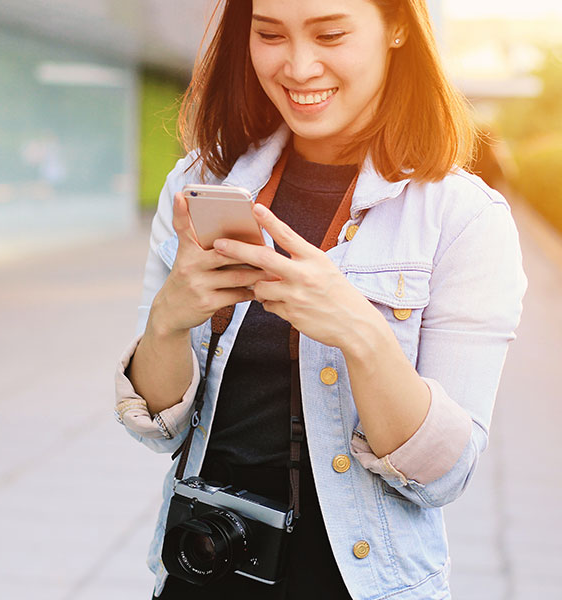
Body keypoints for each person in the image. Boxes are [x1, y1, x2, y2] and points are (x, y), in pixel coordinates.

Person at [114, 0, 527, 598]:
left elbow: (444, 473)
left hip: (362, 581)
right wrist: (168, 324)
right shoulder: (199, 184)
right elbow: (158, 432)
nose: (299, 66)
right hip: (203, 562)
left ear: (397, 27)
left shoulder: (462, 219)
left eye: (330, 34)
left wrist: (359, 332)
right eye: (270, 34)